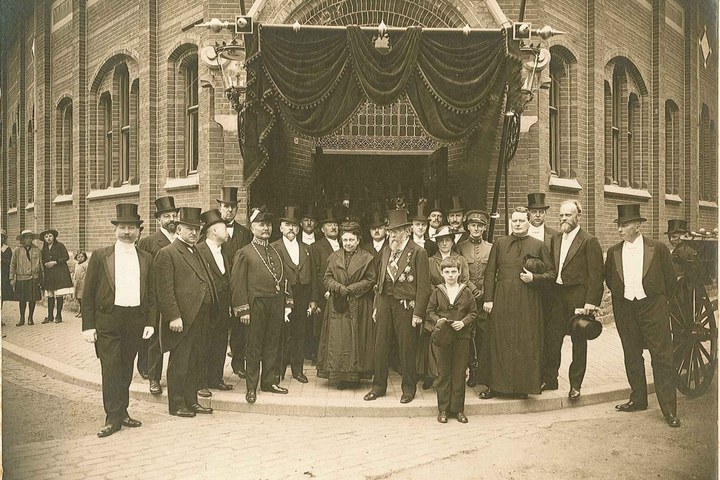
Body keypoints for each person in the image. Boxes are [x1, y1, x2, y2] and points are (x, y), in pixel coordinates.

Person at [81, 203, 156, 437]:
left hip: (134, 319)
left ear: (138, 232)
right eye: (122, 227)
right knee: (111, 368)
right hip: (108, 321)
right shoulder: (101, 256)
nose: (126, 232)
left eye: (131, 228)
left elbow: (152, 294)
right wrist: (88, 325)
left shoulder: (146, 258)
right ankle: (112, 417)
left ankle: (122, 411)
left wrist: (150, 322)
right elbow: (88, 292)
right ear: (116, 230)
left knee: (126, 368)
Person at [604, 204, 679, 427]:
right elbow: (610, 278)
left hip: (652, 307)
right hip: (626, 308)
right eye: (619, 225)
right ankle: (638, 399)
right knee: (631, 353)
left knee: (662, 357)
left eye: (625, 225)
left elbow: (671, 281)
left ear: (638, 226)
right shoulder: (613, 251)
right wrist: (622, 295)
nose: (620, 230)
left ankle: (669, 410)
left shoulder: (658, 248)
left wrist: (658, 303)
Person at [481, 206, 555, 399]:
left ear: (528, 222)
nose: (517, 224)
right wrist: (488, 298)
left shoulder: (538, 245)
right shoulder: (499, 243)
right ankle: (495, 386)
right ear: (510, 222)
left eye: (521, 220)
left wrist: (534, 278)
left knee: (524, 342)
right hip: (502, 298)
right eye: (514, 220)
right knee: (499, 341)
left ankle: (522, 387)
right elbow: (490, 272)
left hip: (527, 300)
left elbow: (551, 274)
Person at [364, 209, 431, 404]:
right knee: (380, 346)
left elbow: (424, 287)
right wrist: (376, 306)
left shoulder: (418, 252)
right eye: (390, 231)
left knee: (406, 348)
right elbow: (380, 281)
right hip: (385, 302)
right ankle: (378, 387)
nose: (392, 235)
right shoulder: (386, 250)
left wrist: (418, 312)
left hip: (406, 306)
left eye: (397, 231)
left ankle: (408, 389)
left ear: (407, 231)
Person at [155, 207, 216, 417]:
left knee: (195, 361)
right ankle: (177, 404)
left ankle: (191, 401)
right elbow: (165, 290)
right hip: (182, 318)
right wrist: (173, 317)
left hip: (200, 316)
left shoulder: (196, 249)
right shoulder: (168, 253)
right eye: (189, 229)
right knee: (180, 362)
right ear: (178, 229)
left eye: (197, 229)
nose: (194, 232)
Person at [231, 208, 294, 404]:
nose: (265, 228)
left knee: (272, 344)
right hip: (255, 304)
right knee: (254, 347)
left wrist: (288, 302)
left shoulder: (276, 251)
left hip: (275, 302)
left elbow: (284, 279)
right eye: (261, 225)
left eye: (268, 225)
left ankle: (268, 382)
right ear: (252, 227)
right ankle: (251, 387)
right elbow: (237, 283)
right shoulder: (244, 253)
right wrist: (243, 309)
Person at [542, 201, 604, 400]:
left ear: (578, 216)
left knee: (579, 342)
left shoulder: (589, 241)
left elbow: (596, 275)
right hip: (557, 297)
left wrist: (590, 302)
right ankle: (550, 378)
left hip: (578, 297)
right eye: (561, 215)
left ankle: (575, 385)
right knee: (552, 339)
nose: (563, 219)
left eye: (568, 215)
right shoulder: (555, 239)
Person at [317, 221, 376, 387]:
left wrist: (352, 288)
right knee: (338, 340)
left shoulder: (366, 258)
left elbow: (371, 279)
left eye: (352, 240)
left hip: (358, 303)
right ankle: (339, 376)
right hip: (338, 304)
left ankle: (354, 377)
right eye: (345, 240)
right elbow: (326, 278)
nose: (348, 243)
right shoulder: (334, 257)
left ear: (358, 240)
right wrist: (339, 287)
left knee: (355, 339)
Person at [421, 225, 474, 390]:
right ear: (437, 243)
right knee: (436, 339)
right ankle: (433, 376)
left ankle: (456, 378)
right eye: (441, 240)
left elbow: (465, 279)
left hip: (458, 307)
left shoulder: (460, 259)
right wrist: (439, 295)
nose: (444, 243)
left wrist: (457, 298)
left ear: (453, 241)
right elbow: (427, 282)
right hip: (437, 304)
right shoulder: (430, 261)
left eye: (447, 240)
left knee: (458, 344)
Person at [426, 256, 477, 424]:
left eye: (453, 272)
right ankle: (443, 409)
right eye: (447, 272)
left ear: (459, 272)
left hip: (461, 336)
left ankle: (458, 409)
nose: (450, 275)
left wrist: (463, 322)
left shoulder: (466, 291)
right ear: (442, 273)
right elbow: (430, 311)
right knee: (443, 373)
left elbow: (473, 313)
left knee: (459, 372)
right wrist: (438, 320)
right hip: (443, 337)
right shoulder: (437, 291)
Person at [137, 195, 179, 394]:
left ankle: (177, 377)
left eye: (174, 215)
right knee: (156, 340)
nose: (171, 219)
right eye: (167, 216)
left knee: (179, 339)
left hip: (178, 298)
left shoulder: (182, 239)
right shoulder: (148, 242)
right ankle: (154, 378)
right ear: (159, 220)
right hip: (156, 299)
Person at [272, 206, 317, 384]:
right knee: (282, 333)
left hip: (303, 293)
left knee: (300, 332)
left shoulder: (307, 248)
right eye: (287, 225)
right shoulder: (274, 247)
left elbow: (313, 274)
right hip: (282, 294)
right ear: (281, 228)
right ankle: (278, 370)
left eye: (293, 225)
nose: (291, 228)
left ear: (298, 229)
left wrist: (313, 298)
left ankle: (297, 370)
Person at [195, 209, 235, 397]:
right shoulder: (199, 250)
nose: (227, 232)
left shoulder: (224, 252)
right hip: (206, 307)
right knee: (203, 343)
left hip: (222, 307)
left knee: (219, 342)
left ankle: (215, 378)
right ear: (213, 231)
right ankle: (200, 381)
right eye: (224, 228)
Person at [217, 187, 253, 380]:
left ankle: (238, 363)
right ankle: (216, 369)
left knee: (240, 328)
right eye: (225, 207)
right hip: (220, 287)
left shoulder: (244, 233)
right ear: (219, 208)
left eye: (232, 207)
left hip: (239, 286)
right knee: (220, 329)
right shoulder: (213, 230)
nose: (229, 210)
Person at [456, 210, 492, 388]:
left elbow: (493, 272)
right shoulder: (461, 247)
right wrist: (473, 289)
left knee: (484, 335)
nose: (476, 229)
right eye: (473, 225)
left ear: (484, 228)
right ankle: (471, 370)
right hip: (468, 298)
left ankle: (483, 371)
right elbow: (460, 272)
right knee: (468, 336)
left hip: (484, 300)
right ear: (468, 227)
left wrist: (484, 291)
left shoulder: (491, 248)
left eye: (480, 226)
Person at [309, 209, 341, 362]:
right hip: (324, 293)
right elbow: (315, 274)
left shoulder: (344, 243)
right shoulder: (316, 247)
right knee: (322, 327)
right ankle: (322, 358)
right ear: (322, 229)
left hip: (341, 292)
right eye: (329, 225)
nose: (333, 227)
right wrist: (315, 297)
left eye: (335, 224)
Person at [40, 228, 74, 323]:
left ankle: (58, 316)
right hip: (49, 274)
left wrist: (55, 262)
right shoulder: (44, 248)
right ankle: (50, 316)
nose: (48, 238)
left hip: (59, 272)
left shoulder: (60, 245)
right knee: (50, 295)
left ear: (54, 237)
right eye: (46, 237)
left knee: (59, 295)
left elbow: (66, 257)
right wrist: (45, 264)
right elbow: (42, 259)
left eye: (50, 236)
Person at [10, 230, 42, 326]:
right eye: (26, 238)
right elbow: (13, 265)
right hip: (21, 278)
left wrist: (41, 278)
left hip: (33, 278)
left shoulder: (37, 250)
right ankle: (22, 318)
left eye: (30, 238)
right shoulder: (17, 250)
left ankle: (30, 318)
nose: (28, 240)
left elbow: (41, 265)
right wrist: (11, 278)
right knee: (22, 299)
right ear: (23, 239)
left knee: (32, 299)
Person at [1, 229, 14, 324]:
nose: (0, 238)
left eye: (2, 237)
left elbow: (10, 262)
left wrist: (2, 261)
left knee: (1, 296)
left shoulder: (7, 249)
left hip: (3, 275)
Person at [73, 251, 88, 317]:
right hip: (77, 283)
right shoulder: (76, 264)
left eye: (82, 256)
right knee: (78, 297)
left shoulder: (86, 264)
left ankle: (83, 312)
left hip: (83, 282)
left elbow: (88, 273)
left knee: (82, 298)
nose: (80, 258)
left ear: (85, 257)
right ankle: (80, 310)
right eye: (79, 257)